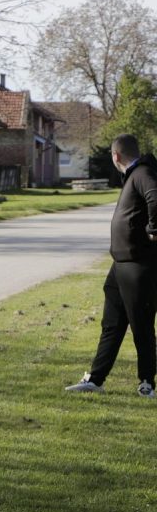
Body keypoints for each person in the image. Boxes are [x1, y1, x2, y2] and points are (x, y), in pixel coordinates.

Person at [66, 134, 157, 397]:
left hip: (138, 265)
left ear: (116, 156)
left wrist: (154, 229)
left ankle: (147, 383)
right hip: (120, 266)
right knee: (112, 324)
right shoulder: (134, 175)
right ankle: (95, 379)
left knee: (141, 326)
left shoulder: (142, 173)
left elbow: (155, 197)